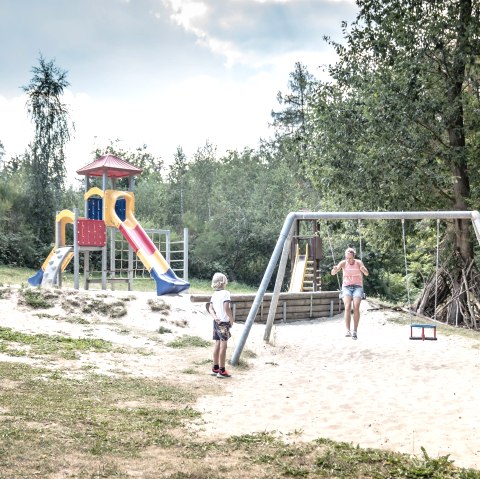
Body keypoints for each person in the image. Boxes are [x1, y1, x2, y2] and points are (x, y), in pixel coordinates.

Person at [331, 247, 369, 340]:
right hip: (346, 287)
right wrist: (335, 269)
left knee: (356, 306)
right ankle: (347, 330)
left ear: (354, 257)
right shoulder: (343, 263)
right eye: (347, 258)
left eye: (350, 258)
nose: (348, 260)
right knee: (347, 306)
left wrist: (363, 270)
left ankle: (355, 331)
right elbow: (333, 273)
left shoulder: (359, 262)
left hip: (357, 287)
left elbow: (367, 273)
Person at [208, 272, 234, 378]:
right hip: (224, 323)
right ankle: (222, 371)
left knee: (217, 344)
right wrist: (231, 319)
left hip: (216, 322)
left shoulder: (214, 294)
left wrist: (215, 317)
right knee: (224, 346)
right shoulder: (226, 293)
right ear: (224, 281)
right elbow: (226, 308)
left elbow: (210, 308)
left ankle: (215, 368)